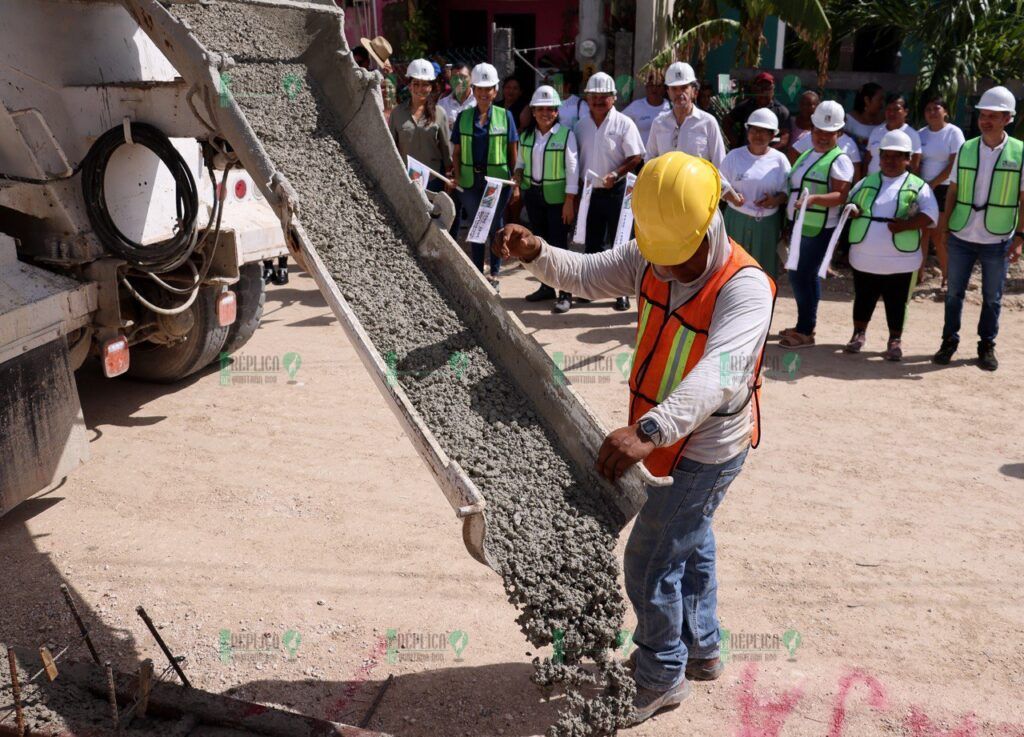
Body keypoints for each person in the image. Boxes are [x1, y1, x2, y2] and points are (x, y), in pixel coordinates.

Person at [493, 152, 775, 726]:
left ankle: (660, 676)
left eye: (678, 258)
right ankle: (702, 647)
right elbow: (590, 274)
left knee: (649, 558)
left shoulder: (745, 290)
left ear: (709, 224)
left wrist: (649, 430)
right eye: (659, 257)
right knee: (689, 539)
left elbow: (720, 373)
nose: (665, 270)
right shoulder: (655, 250)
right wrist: (537, 254)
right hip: (663, 436)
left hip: (706, 447)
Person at [933, 85, 1024, 371]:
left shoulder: (1020, 152)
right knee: (953, 293)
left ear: (1008, 118)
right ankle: (949, 340)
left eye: (993, 115)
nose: (986, 120)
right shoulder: (967, 148)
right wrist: (946, 227)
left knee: (992, 297)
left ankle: (986, 345)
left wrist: (1020, 238)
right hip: (961, 233)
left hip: (997, 237)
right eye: (983, 114)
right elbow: (953, 191)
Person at [843, 130, 938, 361]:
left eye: (898, 156)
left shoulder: (919, 185)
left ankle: (895, 340)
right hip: (865, 256)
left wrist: (908, 225)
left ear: (908, 159)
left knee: (897, 302)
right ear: (879, 157)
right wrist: (853, 211)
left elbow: (930, 215)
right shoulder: (866, 182)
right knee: (864, 297)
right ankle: (858, 334)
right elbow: (849, 205)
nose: (891, 161)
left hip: (901, 260)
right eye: (886, 156)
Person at [781, 100, 855, 348]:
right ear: (811, 130)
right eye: (819, 131)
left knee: (803, 275)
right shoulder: (807, 154)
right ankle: (803, 324)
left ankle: (806, 330)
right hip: (800, 225)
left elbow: (840, 196)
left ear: (839, 134)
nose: (823, 137)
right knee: (798, 275)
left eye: (829, 133)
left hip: (819, 228)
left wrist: (812, 199)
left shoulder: (840, 160)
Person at [573, 71, 645, 311]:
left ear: (614, 98)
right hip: (589, 193)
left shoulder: (624, 123)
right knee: (591, 244)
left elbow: (636, 156)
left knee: (620, 244)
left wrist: (616, 173)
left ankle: (621, 293)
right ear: (586, 98)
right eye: (593, 96)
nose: (598, 101)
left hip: (617, 192)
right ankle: (589, 290)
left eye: (603, 97)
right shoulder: (580, 125)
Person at [447, 62, 519, 291]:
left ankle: (495, 272)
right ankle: (479, 271)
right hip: (471, 182)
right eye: (479, 88)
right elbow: (456, 152)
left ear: (495, 91)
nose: (484, 93)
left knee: (495, 225)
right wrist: (457, 176)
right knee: (478, 224)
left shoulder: (505, 116)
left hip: (498, 183)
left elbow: (512, 151)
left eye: (488, 89)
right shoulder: (463, 117)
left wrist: (516, 183)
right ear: (473, 89)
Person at [514, 85, 579, 313]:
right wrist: (518, 176)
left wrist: (570, 201)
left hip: (558, 199)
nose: (545, 113)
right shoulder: (526, 136)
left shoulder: (566, 135)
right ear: (533, 112)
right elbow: (521, 163)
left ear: (556, 111)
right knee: (539, 244)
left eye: (550, 109)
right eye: (540, 109)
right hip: (534, 195)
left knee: (560, 246)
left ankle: (566, 293)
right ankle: (546, 287)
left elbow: (573, 169)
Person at [720, 108, 791, 275]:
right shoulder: (734, 156)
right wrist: (732, 196)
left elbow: (787, 191)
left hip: (766, 225)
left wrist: (774, 200)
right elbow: (719, 184)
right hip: (736, 220)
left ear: (773, 136)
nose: (758, 135)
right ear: (747, 132)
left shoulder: (780, 160)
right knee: (731, 267)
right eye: (754, 130)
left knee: (763, 269)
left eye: (764, 132)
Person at [917, 97, 965, 286]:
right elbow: (916, 161)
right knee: (922, 234)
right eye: (928, 109)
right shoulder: (920, 134)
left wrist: (934, 183)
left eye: (936, 108)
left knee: (939, 235)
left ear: (945, 111)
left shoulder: (954, 133)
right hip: (923, 188)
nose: (932, 112)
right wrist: (922, 184)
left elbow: (955, 163)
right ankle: (917, 276)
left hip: (945, 188)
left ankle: (949, 278)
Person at [646, 62, 727, 171]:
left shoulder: (708, 123)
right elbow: (649, 161)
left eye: (684, 88)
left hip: (697, 186)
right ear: (668, 92)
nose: (679, 93)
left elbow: (720, 164)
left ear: (694, 91)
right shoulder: (659, 123)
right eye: (674, 88)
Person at [388, 59, 451, 194]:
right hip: (406, 180)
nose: (419, 89)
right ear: (409, 85)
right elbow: (391, 147)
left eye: (425, 85)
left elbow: (446, 149)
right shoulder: (397, 113)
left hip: (434, 179)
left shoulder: (439, 113)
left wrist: (449, 175)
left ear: (431, 87)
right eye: (416, 84)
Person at [724, 71, 791, 151]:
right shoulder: (745, 106)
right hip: (745, 154)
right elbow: (726, 122)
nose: (763, 91)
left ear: (773, 90)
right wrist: (736, 144)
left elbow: (784, 139)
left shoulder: (781, 111)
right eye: (760, 87)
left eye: (767, 88)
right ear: (755, 89)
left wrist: (767, 152)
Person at [865, 94, 922, 175]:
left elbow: (915, 166)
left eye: (896, 109)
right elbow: (868, 159)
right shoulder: (876, 131)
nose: (891, 113)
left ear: (906, 112)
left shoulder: (912, 135)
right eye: (888, 109)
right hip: (872, 182)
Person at [623, 68, 670, 146]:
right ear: (646, 87)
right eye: (651, 85)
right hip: (643, 156)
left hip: (665, 156)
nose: (654, 89)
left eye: (658, 86)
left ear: (664, 88)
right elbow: (620, 123)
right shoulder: (636, 106)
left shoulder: (671, 107)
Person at [845, 82, 885, 158]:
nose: (882, 104)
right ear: (867, 100)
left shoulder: (884, 122)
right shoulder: (849, 120)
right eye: (880, 100)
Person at [788, 90, 819, 155]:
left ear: (817, 106)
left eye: (809, 104)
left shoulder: (820, 127)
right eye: (803, 104)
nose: (805, 107)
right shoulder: (791, 122)